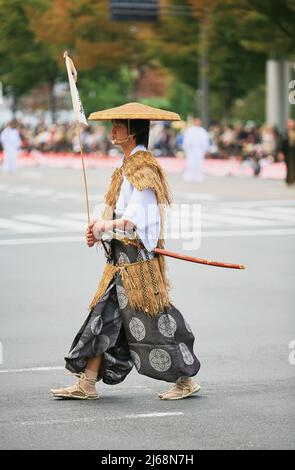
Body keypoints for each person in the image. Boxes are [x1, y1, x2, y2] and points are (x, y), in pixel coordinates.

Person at [50, 102, 201, 401]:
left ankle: (185, 380)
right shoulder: (126, 168)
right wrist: (99, 230)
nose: (112, 130)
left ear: (131, 131)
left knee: (154, 321)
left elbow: (135, 222)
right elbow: (118, 217)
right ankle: (88, 383)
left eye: (118, 125)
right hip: (120, 261)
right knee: (103, 317)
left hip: (138, 266)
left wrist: (105, 225)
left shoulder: (143, 169)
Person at [182, 117, 210, 182]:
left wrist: (205, 148)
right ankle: (189, 176)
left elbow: (205, 140)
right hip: (191, 149)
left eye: (198, 121)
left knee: (199, 162)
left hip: (199, 149)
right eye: (196, 121)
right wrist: (186, 148)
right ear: (194, 122)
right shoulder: (190, 130)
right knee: (190, 162)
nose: (197, 123)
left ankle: (198, 176)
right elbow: (186, 140)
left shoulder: (202, 131)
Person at [279, 119, 295, 186]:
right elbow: (281, 143)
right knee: (289, 166)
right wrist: (280, 152)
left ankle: (292, 179)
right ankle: (289, 180)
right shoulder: (284, 133)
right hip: (287, 152)